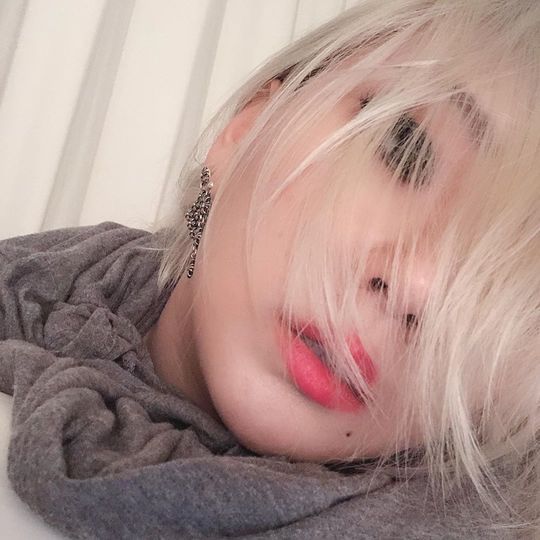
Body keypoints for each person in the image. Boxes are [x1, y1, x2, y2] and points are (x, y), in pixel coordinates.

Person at [0, 0, 538, 538]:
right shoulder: (32, 288)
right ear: (249, 126)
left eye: (512, 274)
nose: (419, 286)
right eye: (407, 147)